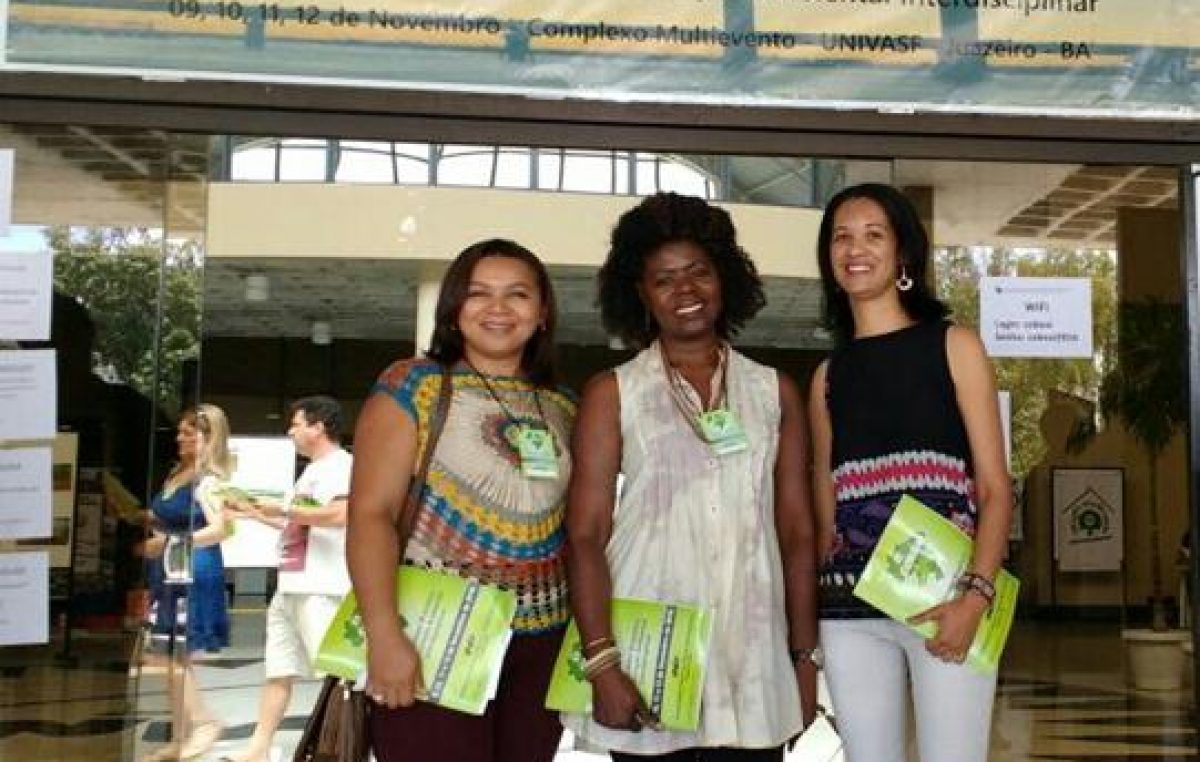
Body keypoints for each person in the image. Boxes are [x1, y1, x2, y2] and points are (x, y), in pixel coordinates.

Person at [566, 192, 819, 761]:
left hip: (751, 663)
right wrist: (603, 663)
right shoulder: (614, 392)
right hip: (647, 662)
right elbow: (585, 534)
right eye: (664, 279)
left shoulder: (773, 392)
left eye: (699, 273)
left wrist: (804, 660)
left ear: (723, 278)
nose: (685, 291)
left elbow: (798, 533)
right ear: (641, 295)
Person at [348, 239, 576, 762]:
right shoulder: (415, 385)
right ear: (454, 309)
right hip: (433, 632)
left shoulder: (563, 405)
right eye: (479, 294)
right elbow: (371, 514)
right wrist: (385, 636)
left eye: (518, 294)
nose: (499, 308)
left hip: (540, 640)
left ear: (542, 313)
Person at [808, 183, 1012, 762]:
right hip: (849, 613)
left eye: (874, 234)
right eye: (842, 237)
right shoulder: (827, 376)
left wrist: (975, 597)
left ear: (903, 255)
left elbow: (996, 489)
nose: (856, 248)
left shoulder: (955, 346)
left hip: (947, 600)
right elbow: (827, 492)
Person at [221, 395, 353, 762]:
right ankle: (258, 748)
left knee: (337, 673)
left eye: (296, 424)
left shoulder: (342, 466)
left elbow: (340, 514)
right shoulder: (310, 471)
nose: (290, 431)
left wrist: (283, 507)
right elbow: (299, 520)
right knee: (278, 669)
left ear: (318, 426)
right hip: (291, 584)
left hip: (323, 587)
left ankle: (347, 744)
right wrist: (254, 512)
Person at [138, 403, 233, 762]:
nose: (179, 438)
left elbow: (220, 528)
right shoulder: (179, 474)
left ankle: (203, 722)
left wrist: (171, 542)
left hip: (191, 569)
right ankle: (180, 736)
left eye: (188, 433)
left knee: (175, 656)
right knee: (167, 655)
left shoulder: (209, 480)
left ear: (209, 438)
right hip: (170, 568)